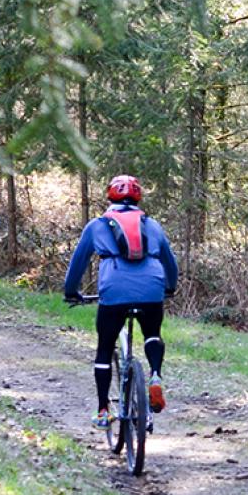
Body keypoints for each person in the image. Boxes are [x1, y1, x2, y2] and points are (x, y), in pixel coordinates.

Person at [63, 175, 179, 428]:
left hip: (114, 290)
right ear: (138, 198)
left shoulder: (97, 225)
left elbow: (78, 263)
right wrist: (170, 287)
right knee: (152, 333)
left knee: (104, 347)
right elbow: (170, 261)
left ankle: (104, 410)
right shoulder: (152, 225)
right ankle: (155, 376)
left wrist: (71, 291)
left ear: (109, 197)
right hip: (152, 287)